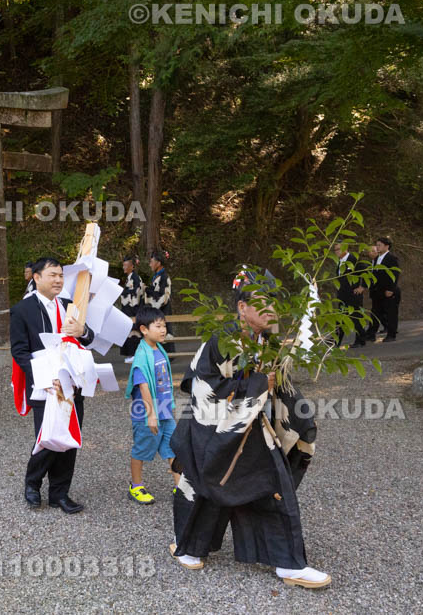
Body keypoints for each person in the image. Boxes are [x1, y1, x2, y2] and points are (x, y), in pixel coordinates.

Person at [169, 269, 328, 589]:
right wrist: (256, 383)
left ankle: (288, 563)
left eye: (274, 302)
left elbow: (275, 386)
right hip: (216, 429)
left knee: (272, 487)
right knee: (209, 490)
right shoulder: (222, 340)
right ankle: (188, 546)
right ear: (242, 308)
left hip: (253, 428)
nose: (272, 310)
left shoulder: (263, 339)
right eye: (263, 302)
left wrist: (296, 415)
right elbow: (204, 387)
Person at [10, 257, 95, 514]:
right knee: (47, 437)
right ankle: (33, 483)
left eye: (60, 275)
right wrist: (46, 378)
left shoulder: (70, 306)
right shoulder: (22, 310)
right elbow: (19, 351)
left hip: (71, 384)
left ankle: (60, 492)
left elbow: (88, 338)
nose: (58, 280)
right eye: (52, 275)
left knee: (68, 440)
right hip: (44, 385)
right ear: (36, 278)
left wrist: (82, 331)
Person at [126, 305, 178, 505]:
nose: (163, 330)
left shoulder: (159, 349)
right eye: (158, 326)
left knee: (173, 446)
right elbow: (144, 386)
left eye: (164, 325)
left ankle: (179, 485)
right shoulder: (142, 355)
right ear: (144, 329)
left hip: (164, 410)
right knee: (142, 448)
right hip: (146, 412)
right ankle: (136, 486)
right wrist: (151, 414)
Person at [332, 243, 368, 348]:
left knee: (356, 318)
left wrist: (362, 287)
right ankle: (336, 342)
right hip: (342, 295)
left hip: (354, 295)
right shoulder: (340, 261)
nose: (336, 252)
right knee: (340, 318)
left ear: (345, 249)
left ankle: (361, 338)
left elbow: (367, 272)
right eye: (335, 250)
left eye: (338, 249)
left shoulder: (354, 259)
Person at [366, 237, 400, 343]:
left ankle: (391, 334)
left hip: (388, 291)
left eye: (379, 245)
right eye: (377, 245)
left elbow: (395, 274)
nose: (377, 247)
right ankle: (371, 334)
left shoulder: (392, 258)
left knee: (391, 313)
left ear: (386, 246)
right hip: (377, 291)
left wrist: (391, 289)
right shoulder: (376, 259)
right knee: (375, 313)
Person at [146, 250, 174, 352]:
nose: (150, 264)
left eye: (152, 262)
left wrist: (148, 291)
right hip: (158, 309)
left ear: (158, 263)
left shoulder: (164, 277)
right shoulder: (158, 276)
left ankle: (169, 356)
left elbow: (162, 295)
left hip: (163, 308)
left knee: (164, 331)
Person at [119, 254, 145, 364]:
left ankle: (135, 354)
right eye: (123, 265)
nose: (124, 267)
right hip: (128, 309)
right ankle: (131, 354)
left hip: (134, 309)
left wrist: (124, 292)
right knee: (129, 332)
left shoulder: (135, 278)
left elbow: (136, 294)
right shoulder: (130, 278)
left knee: (134, 332)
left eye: (126, 265)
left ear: (132, 266)